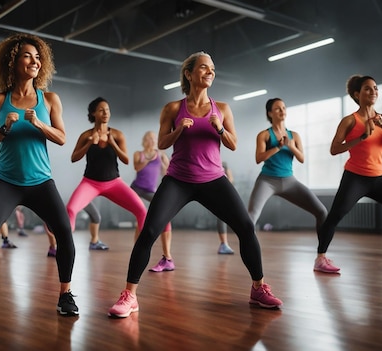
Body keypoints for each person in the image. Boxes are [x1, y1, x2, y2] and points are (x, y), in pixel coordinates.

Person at [108, 51, 283, 318]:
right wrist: (180, 129)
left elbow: (233, 145)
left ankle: (258, 288)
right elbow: (162, 144)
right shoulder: (173, 109)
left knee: (246, 226)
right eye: (203, 67)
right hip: (178, 180)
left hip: (213, 179)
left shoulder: (222, 109)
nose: (210, 71)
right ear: (189, 74)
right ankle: (130, 295)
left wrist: (220, 129)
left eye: (212, 68)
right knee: (149, 230)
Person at [0, 33, 78, 316]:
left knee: (64, 231)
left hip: (40, 181)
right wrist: (5, 129)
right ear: (12, 62)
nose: (35, 61)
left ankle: (65, 295)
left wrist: (39, 123)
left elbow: (62, 138)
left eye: (38, 57)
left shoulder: (49, 99)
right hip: (6, 180)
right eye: (28, 56)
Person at [314, 75, 382, 273]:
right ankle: (321, 259)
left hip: (379, 179)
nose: (373, 91)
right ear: (357, 94)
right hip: (355, 178)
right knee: (335, 216)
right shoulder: (350, 120)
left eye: (375, 88)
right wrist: (362, 137)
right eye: (367, 88)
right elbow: (334, 149)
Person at [66, 97, 148, 250]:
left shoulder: (117, 135)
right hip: (90, 183)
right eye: (101, 110)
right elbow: (74, 158)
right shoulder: (86, 135)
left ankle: (141, 248)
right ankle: (65, 247)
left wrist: (113, 144)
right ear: (93, 113)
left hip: (114, 183)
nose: (105, 113)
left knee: (142, 210)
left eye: (107, 110)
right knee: (71, 209)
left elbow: (125, 160)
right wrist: (90, 142)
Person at [247, 98, 327, 241]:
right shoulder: (264, 135)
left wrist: (290, 146)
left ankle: (321, 255)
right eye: (278, 108)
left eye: (284, 108)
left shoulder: (294, 136)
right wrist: (278, 147)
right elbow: (259, 158)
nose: (282, 111)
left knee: (321, 211)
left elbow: (302, 158)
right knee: (250, 217)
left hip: (290, 181)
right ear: (270, 113)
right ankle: (249, 253)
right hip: (267, 181)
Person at [130, 131, 174, 271]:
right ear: (144, 140)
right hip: (136, 188)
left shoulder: (160, 155)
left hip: (150, 190)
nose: (152, 140)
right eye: (149, 138)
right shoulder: (139, 154)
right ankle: (137, 247)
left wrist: (163, 161)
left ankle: (167, 257)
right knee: (141, 215)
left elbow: (166, 172)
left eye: (154, 138)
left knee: (161, 215)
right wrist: (148, 160)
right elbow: (137, 168)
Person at [216, 162, 235, 255]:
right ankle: (224, 244)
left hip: (223, 192)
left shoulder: (224, 165)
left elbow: (231, 180)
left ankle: (224, 244)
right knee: (222, 216)